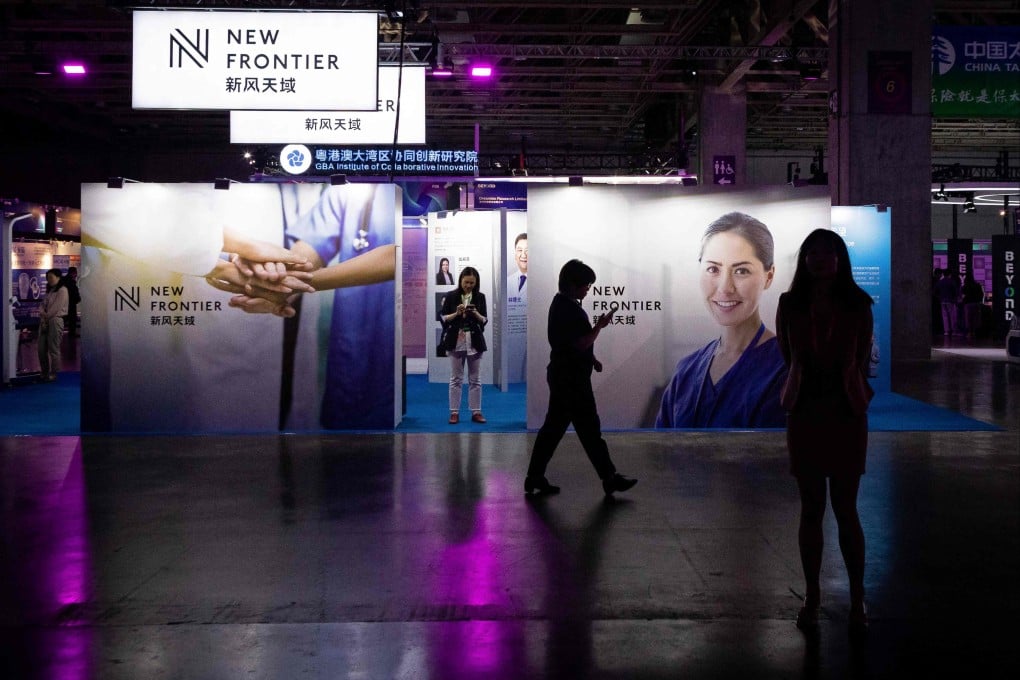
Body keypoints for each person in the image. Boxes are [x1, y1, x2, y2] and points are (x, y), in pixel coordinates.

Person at [775, 228, 874, 639]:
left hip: (846, 412)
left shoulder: (858, 303)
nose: (819, 258)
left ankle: (856, 598)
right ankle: (812, 598)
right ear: (804, 259)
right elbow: (786, 355)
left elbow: (863, 356)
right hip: (806, 412)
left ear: (839, 259)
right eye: (812, 252)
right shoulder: (789, 303)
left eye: (827, 252)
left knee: (847, 509)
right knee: (811, 508)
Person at [656, 212, 786, 428]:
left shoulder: (785, 368)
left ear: (769, 277)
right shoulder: (686, 371)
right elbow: (660, 452)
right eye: (713, 269)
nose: (725, 288)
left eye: (741, 271)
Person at [524, 259, 637, 497]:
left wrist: (592, 360)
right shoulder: (568, 309)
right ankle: (609, 478)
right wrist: (599, 327)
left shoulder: (562, 305)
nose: (588, 289)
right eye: (586, 284)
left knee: (554, 431)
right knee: (588, 431)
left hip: (564, 377)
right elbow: (579, 343)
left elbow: (569, 344)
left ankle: (535, 477)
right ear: (574, 284)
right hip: (572, 382)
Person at [438, 266, 488, 424]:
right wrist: (457, 313)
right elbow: (444, 318)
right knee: (456, 379)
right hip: (455, 341)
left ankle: (476, 411)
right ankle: (454, 412)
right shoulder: (451, 296)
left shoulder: (480, 297)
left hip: (474, 341)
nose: (469, 286)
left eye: (472, 283)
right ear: (460, 281)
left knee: (475, 379)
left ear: (476, 282)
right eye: (466, 282)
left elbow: (484, 320)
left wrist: (475, 314)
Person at [37, 268, 68, 382]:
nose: (49, 279)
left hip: (55, 321)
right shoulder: (50, 291)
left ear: (58, 277)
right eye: (47, 277)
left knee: (53, 349)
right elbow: (42, 305)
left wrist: (45, 316)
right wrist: (42, 314)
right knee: (41, 349)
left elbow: (56, 309)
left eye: (51, 277)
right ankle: (44, 372)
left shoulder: (63, 290)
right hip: (45, 321)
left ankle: (54, 373)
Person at [934, 268, 961, 336]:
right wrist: (957, 298)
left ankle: (946, 331)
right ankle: (954, 331)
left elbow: (935, 291)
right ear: (950, 274)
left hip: (942, 301)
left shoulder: (940, 281)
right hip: (950, 301)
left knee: (945, 316)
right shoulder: (951, 281)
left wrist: (939, 297)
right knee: (952, 316)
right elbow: (956, 291)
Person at [960, 272, 985, 339]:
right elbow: (982, 294)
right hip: (976, 303)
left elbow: (962, 295)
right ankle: (974, 332)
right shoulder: (978, 285)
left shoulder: (964, 286)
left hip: (968, 304)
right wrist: (980, 301)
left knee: (968, 319)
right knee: (975, 319)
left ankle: (969, 333)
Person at [507, 233, 528, 301]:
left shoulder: (539, 282)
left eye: (527, 250)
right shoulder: (508, 281)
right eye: (520, 250)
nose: (523, 255)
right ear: (515, 255)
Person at [63, 266, 81, 337]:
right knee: (72, 319)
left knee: (64, 318)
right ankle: (72, 333)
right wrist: (77, 299)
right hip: (71, 303)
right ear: (73, 273)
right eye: (75, 273)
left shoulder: (64, 280)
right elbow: (73, 292)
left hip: (64, 303)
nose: (76, 275)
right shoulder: (71, 282)